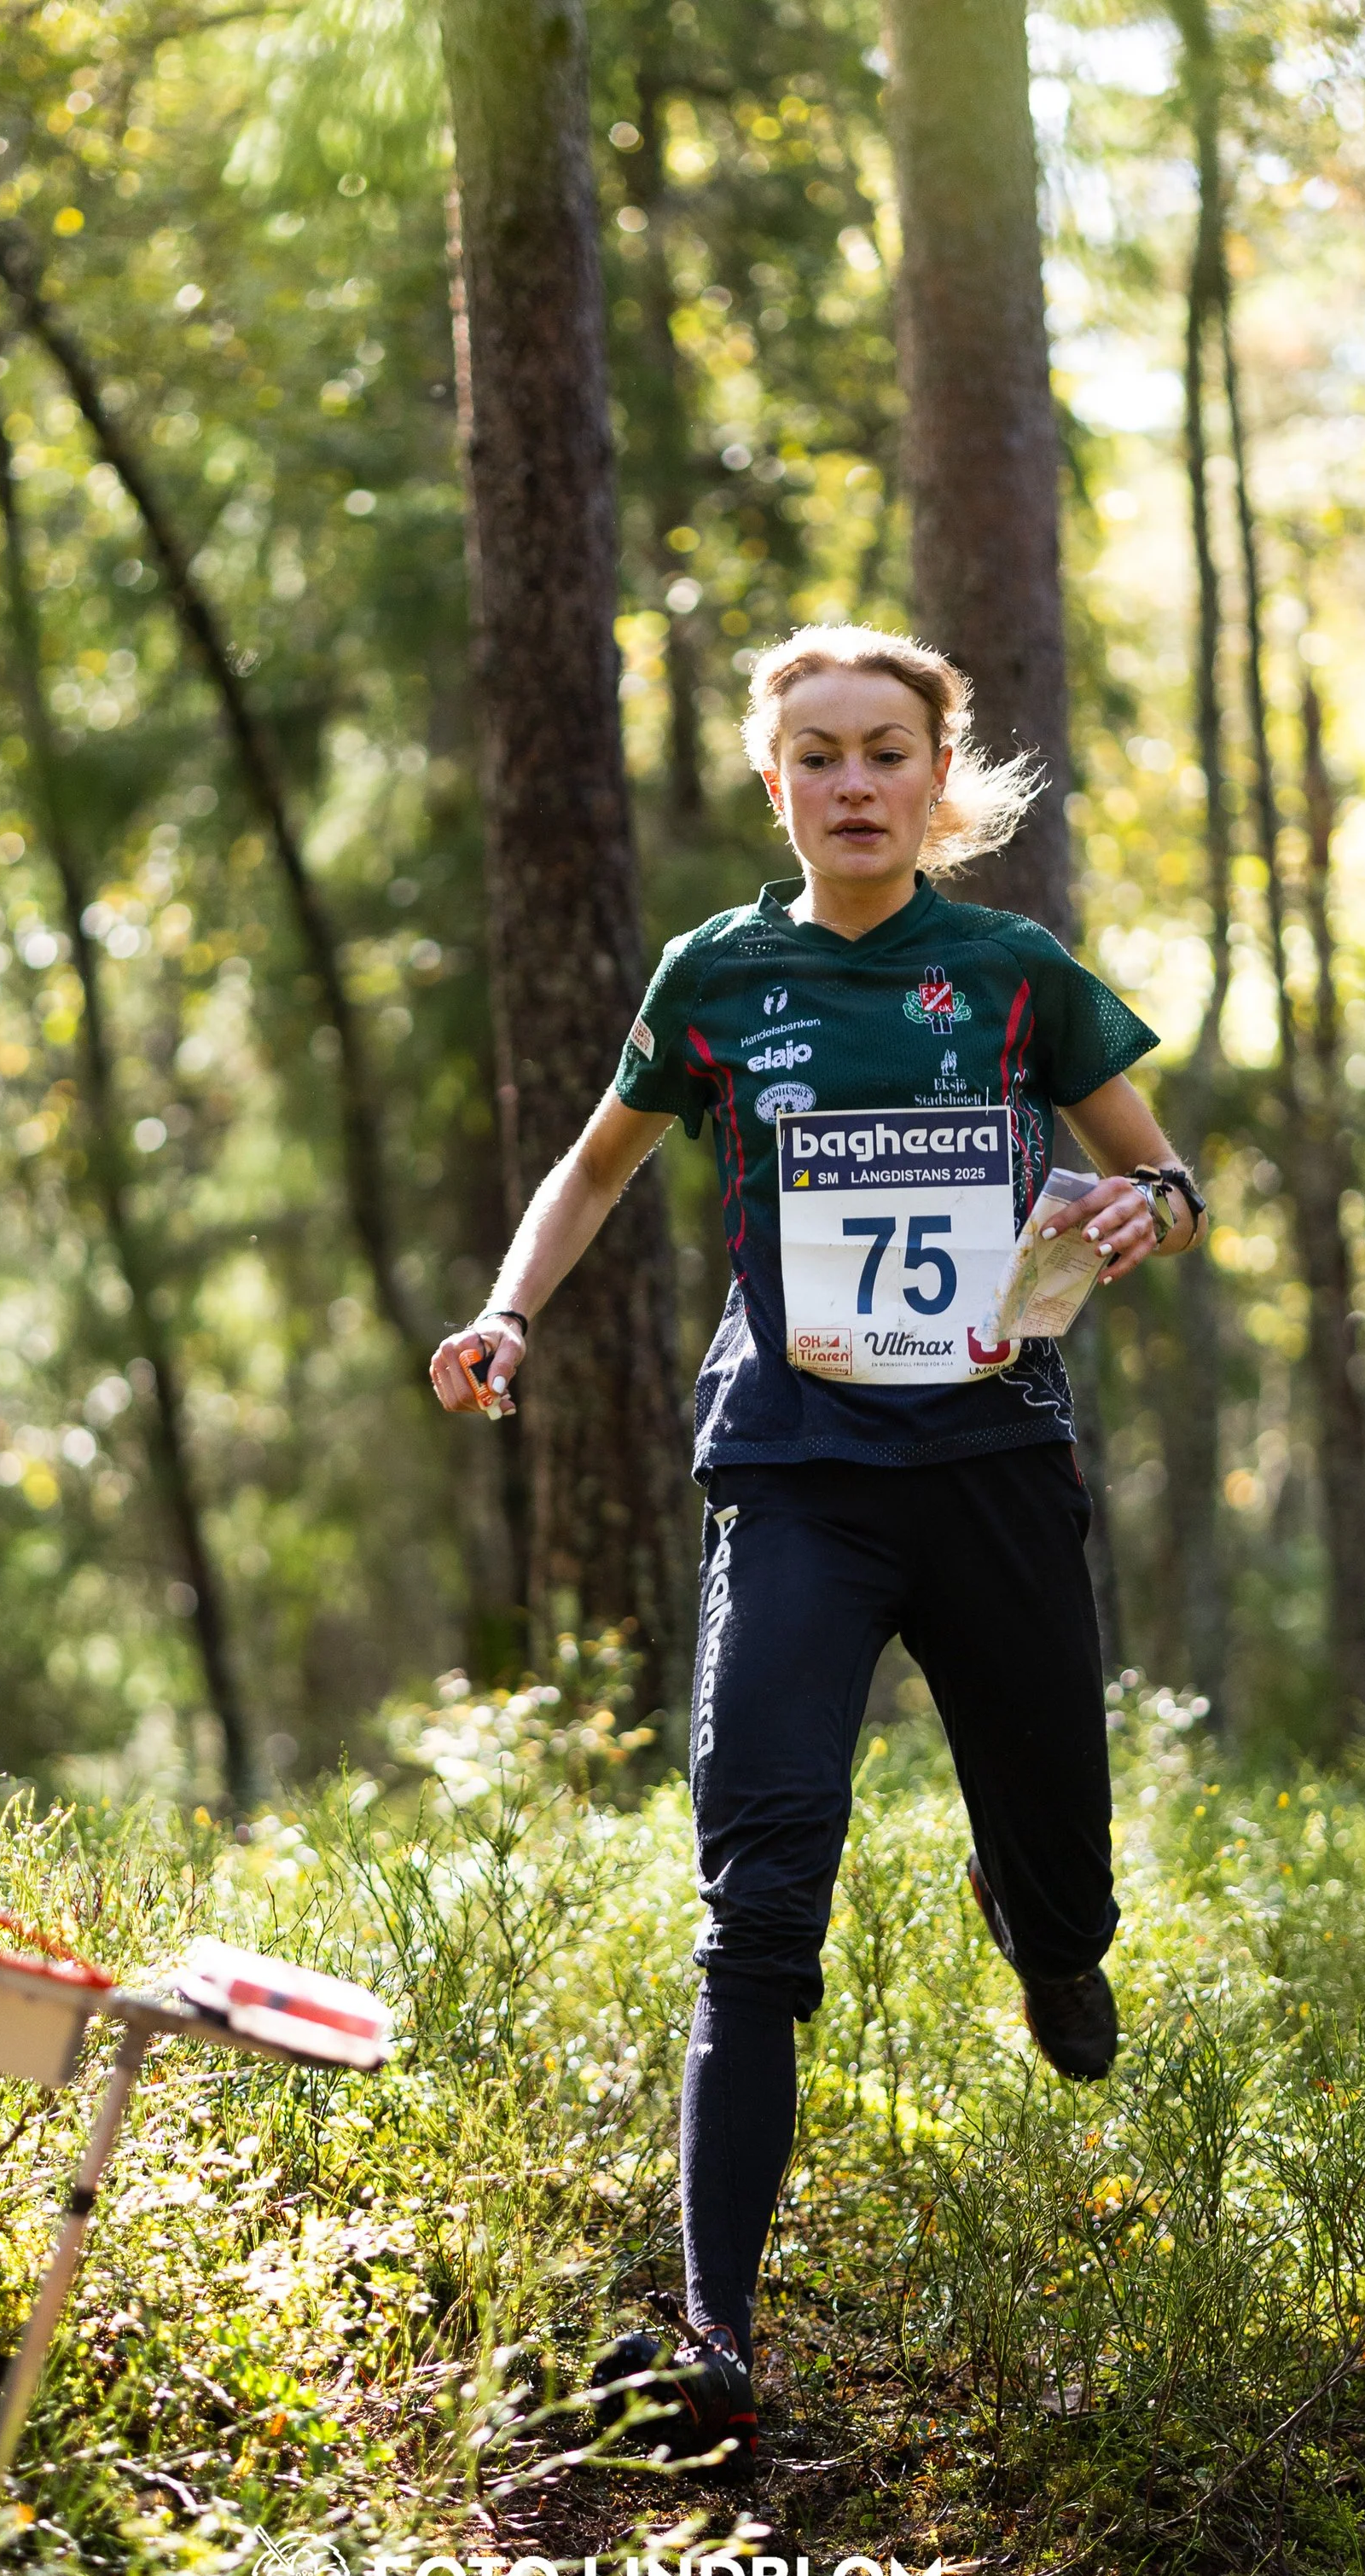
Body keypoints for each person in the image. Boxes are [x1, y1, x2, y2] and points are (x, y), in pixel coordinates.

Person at [427, 624, 1207, 2464]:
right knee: (759, 1895)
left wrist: (1136, 1212)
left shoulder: (1012, 973)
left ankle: (1043, 1926)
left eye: (886, 752)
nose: (855, 783)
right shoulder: (716, 974)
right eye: (820, 755)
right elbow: (596, 1164)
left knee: (1069, 1882)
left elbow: (1163, 1176)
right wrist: (509, 1310)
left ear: (937, 780)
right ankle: (715, 2330)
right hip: (795, 1470)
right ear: (771, 781)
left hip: (993, 1461)